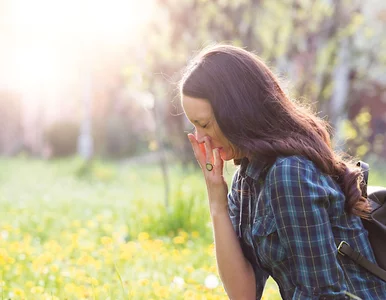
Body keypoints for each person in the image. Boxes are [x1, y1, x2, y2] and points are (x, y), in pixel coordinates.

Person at [179, 44, 386, 300]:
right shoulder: (247, 178)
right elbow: (243, 294)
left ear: (236, 112)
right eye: (194, 127)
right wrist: (216, 202)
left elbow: (322, 294)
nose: (200, 138)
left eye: (204, 124)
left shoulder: (289, 174)